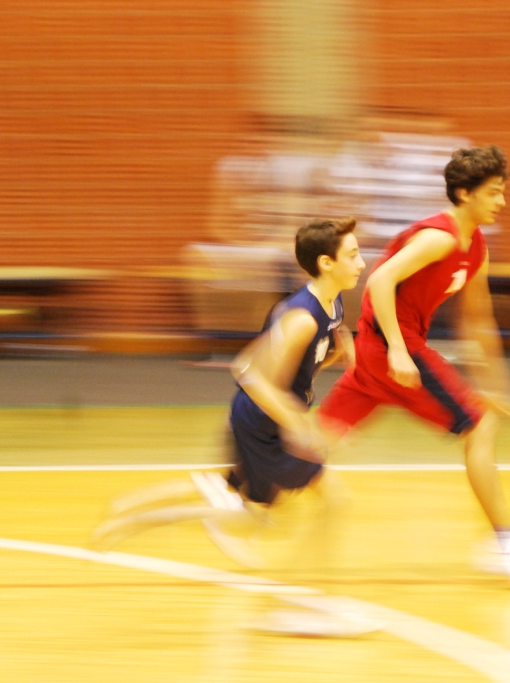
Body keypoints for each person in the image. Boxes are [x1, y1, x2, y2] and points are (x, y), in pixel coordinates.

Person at [316, 145, 510, 581]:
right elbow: (379, 279)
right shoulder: (440, 237)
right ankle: (507, 544)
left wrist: (496, 384)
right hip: (393, 348)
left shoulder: (475, 248)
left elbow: (479, 319)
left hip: (380, 352)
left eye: (503, 192)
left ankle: (244, 488)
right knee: (478, 427)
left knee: (317, 441)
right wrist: (398, 349)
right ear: (464, 193)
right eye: (493, 193)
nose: (502, 202)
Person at [92, 217, 366, 564]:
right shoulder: (301, 319)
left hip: (268, 419)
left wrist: (338, 356)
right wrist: (298, 425)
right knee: (315, 505)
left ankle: (129, 510)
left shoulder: (332, 304)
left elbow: (307, 357)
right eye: (353, 255)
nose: (362, 262)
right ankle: (307, 586)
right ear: (326, 264)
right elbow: (250, 372)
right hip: (264, 423)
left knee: (242, 498)